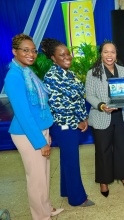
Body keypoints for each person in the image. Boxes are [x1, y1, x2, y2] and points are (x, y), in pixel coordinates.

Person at [4, 33, 63, 219]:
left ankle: (47, 209)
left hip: (39, 130)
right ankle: (41, 216)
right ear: (15, 51)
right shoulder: (14, 77)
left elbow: (39, 106)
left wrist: (46, 131)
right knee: (36, 179)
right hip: (27, 134)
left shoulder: (27, 72)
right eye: (25, 50)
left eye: (33, 51)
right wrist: (40, 141)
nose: (31, 54)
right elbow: (23, 115)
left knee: (44, 175)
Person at [41, 38, 94, 207]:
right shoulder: (52, 76)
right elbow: (57, 107)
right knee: (72, 160)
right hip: (63, 125)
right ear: (53, 58)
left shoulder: (69, 73)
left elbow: (78, 98)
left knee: (67, 158)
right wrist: (76, 122)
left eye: (68, 54)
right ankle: (78, 199)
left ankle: (66, 190)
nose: (67, 57)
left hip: (74, 123)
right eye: (61, 55)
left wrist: (84, 118)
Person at [85, 41, 124, 198]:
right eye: (106, 52)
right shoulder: (93, 72)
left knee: (121, 148)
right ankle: (104, 181)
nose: (109, 55)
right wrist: (101, 105)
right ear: (101, 54)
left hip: (122, 116)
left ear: (116, 54)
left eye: (112, 52)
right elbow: (89, 94)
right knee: (103, 150)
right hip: (102, 116)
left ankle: (123, 176)